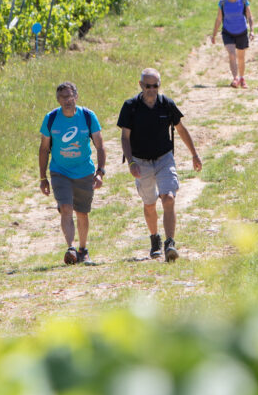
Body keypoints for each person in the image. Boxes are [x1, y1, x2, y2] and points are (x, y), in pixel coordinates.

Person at [118, 68, 203, 262]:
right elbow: (125, 137)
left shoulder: (166, 104)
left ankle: (170, 243)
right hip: (141, 161)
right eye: (148, 86)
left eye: (155, 86)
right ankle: (154, 238)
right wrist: (130, 162)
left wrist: (194, 154)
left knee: (169, 198)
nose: (151, 90)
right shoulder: (130, 106)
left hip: (164, 158)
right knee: (149, 204)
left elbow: (181, 129)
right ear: (141, 85)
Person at [38, 82, 106, 265]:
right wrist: (43, 177)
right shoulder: (51, 118)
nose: (67, 100)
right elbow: (44, 149)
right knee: (66, 208)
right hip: (60, 171)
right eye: (63, 97)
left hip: (84, 171)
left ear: (76, 96)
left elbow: (100, 145)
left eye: (70, 96)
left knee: (82, 213)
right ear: (58, 100)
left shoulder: (88, 116)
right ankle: (71, 248)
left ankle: (83, 250)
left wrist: (100, 172)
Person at [210, 0, 255, 88]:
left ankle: (242, 78)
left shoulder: (243, 0)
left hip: (242, 32)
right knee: (231, 54)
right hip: (228, 32)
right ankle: (235, 78)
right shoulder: (223, 2)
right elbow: (219, 19)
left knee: (241, 57)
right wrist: (214, 34)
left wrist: (252, 31)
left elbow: (249, 16)